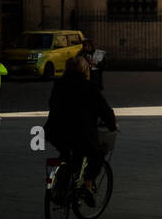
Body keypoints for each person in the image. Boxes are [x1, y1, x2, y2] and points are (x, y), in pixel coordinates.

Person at [45, 55, 116, 202]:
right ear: (84, 69)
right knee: (98, 153)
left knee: (68, 154)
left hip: (55, 131)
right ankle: (87, 184)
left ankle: (60, 188)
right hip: (80, 133)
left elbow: (52, 104)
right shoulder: (89, 86)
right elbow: (104, 109)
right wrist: (112, 125)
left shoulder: (59, 85)